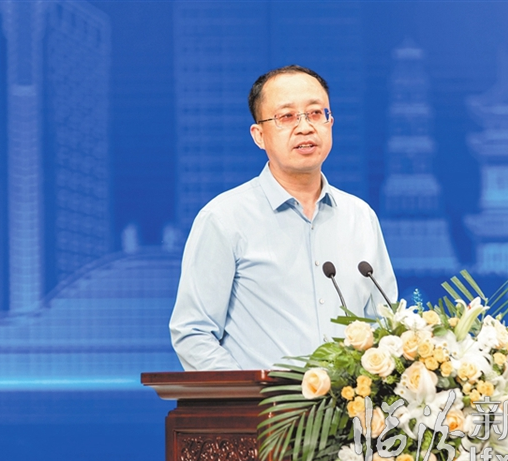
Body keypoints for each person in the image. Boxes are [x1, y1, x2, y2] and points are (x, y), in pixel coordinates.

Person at [169, 65, 397, 371]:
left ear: (330, 122)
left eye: (315, 113)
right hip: (266, 402)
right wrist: (248, 394)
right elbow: (193, 333)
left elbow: (386, 324)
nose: (305, 127)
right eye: (287, 116)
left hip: (351, 402)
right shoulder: (224, 219)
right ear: (259, 136)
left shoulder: (360, 217)